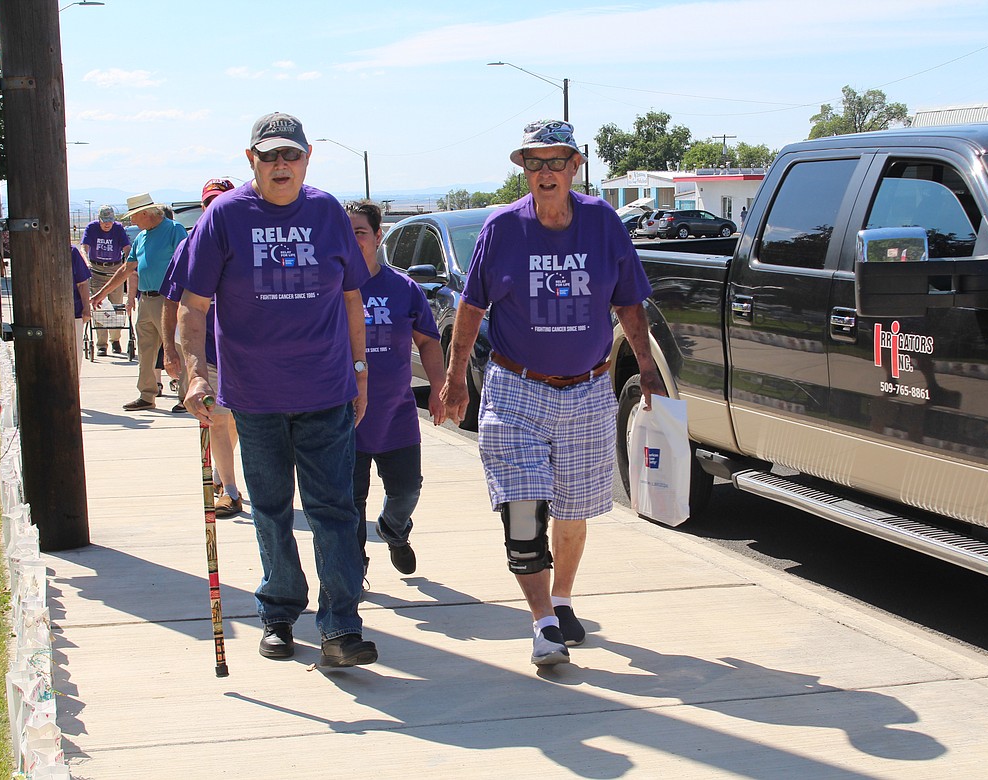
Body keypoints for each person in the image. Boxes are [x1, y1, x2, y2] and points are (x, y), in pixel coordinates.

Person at [440, 119, 663, 666]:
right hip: (516, 389)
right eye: (534, 163)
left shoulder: (603, 223)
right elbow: (471, 309)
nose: (545, 173)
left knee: (573, 508)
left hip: (586, 392)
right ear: (523, 169)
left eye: (555, 161)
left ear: (574, 167)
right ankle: (542, 623)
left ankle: (561, 600)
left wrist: (651, 369)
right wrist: (453, 379)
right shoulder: (501, 230)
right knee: (522, 509)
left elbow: (629, 303)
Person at [178, 112, 377, 668]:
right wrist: (194, 372)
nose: (281, 165)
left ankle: (340, 627)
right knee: (269, 509)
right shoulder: (223, 217)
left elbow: (351, 300)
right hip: (255, 396)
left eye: (291, 155)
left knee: (334, 511)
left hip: (326, 390)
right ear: (252, 161)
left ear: (307, 158)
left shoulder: (328, 213)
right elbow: (193, 310)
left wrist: (360, 371)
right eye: (270, 156)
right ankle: (280, 610)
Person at [344, 200, 446, 581]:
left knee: (406, 492)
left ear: (377, 236)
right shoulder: (329, 289)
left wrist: (438, 386)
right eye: (347, 233)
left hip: (396, 415)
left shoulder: (402, 288)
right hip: (346, 416)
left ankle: (393, 528)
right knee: (349, 504)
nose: (354, 241)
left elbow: (429, 341)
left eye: (361, 233)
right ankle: (354, 571)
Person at [160, 177, 243, 515]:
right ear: (203, 207)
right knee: (218, 421)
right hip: (206, 351)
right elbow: (172, 300)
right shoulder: (191, 244)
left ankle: (224, 477)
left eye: (222, 202)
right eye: (210, 203)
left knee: (234, 423)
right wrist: (169, 349)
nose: (215, 209)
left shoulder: (247, 240)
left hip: (243, 352)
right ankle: (232, 492)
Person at [91, 193, 187, 411]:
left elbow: (186, 261)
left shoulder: (174, 230)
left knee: (177, 348)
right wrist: (101, 294)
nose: (132, 222)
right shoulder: (142, 237)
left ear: (146, 213)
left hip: (169, 299)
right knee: (145, 349)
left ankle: (185, 396)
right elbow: (127, 268)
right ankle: (147, 394)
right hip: (146, 299)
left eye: (134, 217)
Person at [79, 205, 131, 356]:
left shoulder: (118, 229)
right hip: (96, 270)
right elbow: (84, 247)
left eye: (110, 221)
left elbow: (127, 247)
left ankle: (115, 340)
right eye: (104, 221)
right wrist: (86, 261)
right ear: (99, 219)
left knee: (116, 307)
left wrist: (128, 261)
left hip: (115, 271)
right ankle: (101, 344)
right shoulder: (92, 228)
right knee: (99, 307)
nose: (107, 224)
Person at [71, 245, 92, 376]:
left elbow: (83, 283)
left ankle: (74, 389)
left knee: (75, 357)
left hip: (74, 312)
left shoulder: (72, 252)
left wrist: (86, 309)